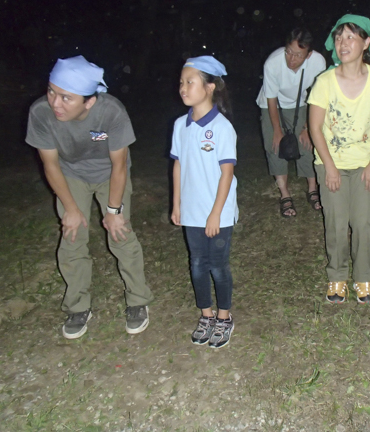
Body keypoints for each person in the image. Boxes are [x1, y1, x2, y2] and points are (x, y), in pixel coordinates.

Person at [26, 56, 154, 339]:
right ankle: (77, 306)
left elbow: (120, 165)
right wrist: (71, 209)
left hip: (110, 173)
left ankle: (138, 300)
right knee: (72, 235)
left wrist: (113, 210)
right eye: (51, 91)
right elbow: (50, 165)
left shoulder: (111, 112)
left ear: (89, 101)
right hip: (70, 174)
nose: (55, 103)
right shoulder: (41, 113)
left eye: (66, 98)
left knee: (120, 232)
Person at [308, 14, 370, 304]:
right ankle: (337, 278)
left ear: (366, 42)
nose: (342, 43)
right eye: (338, 37)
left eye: (350, 37)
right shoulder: (324, 82)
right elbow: (315, 128)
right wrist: (329, 167)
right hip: (330, 164)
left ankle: (364, 278)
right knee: (335, 223)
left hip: (364, 165)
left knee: (362, 223)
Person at [170, 56, 238, 348]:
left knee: (218, 266)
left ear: (210, 87)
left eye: (190, 82)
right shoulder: (180, 125)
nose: (184, 88)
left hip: (217, 213)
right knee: (197, 264)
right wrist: (176, 204)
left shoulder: (222, 128)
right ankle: (206, 315)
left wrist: (215, 214)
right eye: (182, 82)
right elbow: (178, 166)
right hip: (192, 211)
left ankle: (224, 317)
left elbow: (227, 173)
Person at [256, 27, 326, 217]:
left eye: (298, 55)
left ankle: (312, 189)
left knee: (309, 143)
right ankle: (285, 194)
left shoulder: (318, 62)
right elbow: (271, 99)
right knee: (275, 146)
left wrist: (306, 128)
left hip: (303, 103)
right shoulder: (272, 63)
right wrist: (277, 130)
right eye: (289, 52)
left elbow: (318, 95)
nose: (291, 59)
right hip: (273, 104)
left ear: (309, 54)